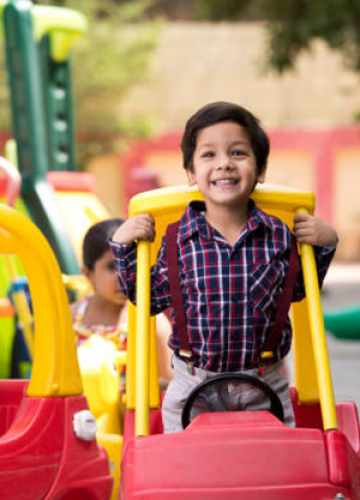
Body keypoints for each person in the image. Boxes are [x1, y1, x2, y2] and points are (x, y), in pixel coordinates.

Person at [110, 102, 338, 433]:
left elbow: (299, 290)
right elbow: (147, 299)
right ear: (190, 172)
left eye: (238, 153)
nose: (224, 164)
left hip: (262, 382)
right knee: (187, 467)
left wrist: (324, 245)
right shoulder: (176, 240)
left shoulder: (278, 237)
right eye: (209, 155)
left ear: (260, 170)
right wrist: (123, 246)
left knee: (273, 464)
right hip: (193, 383)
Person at [71, 218, 173, 391]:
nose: (122, 276)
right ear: (88, 274)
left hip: (133, 417)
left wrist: (139, 387)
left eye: (130, 265)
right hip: (79, 416)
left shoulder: (152, 322)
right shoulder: (71, 318)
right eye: (112, 267)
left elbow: (173, 385)